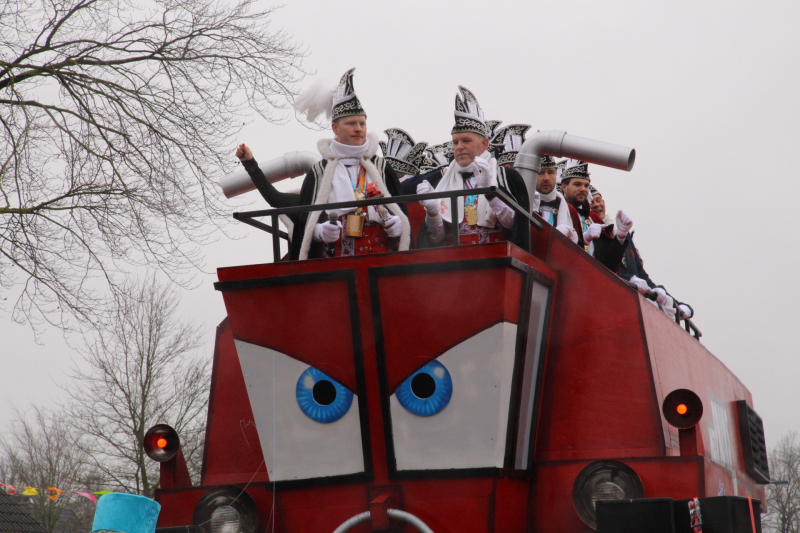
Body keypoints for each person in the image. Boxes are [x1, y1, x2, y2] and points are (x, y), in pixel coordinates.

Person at [288, 68, 410, 260]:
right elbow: (304, 223)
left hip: (382, 264)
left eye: (362, 124)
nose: (358, 129)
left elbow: (402, 213)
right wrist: (319, 232)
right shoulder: (319, 172)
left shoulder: (381, 167)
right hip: (335, 269)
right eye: (351, 124)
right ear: (335, 128)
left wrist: (400, 224)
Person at [413, 87, 530, 248]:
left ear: (484, 144)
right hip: (454, 266)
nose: (459, 147)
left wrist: (491, 195)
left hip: (496, 263)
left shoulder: (507, 177)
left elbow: (516, 226)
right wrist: (432, 212)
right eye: (455, 142)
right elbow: (435, 239)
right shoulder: (441, 182)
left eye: (466, 141)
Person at [590, 185, 694, 319]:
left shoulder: (621, 232)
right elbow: (602, 268)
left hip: (635, 306)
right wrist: (631, 280)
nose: (596, 205)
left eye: (599, 200)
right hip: (612, 305)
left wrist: (676, 304)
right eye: (591, 202)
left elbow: (641, 275)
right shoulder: (591, 233)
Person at [560, 160, 631, 272]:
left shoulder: (593, 219)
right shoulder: (557, 210)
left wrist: (620, 236)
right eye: (577, 184)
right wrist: (584, 238)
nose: (583, 189)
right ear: (564, 187)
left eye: (586, 185)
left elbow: (609, 266)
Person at [534, 155, 583, 245]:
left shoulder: (571, 211)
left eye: (551, 172)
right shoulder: (524, 203)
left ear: (556, 174)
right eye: (540, 173)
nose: (546, 178)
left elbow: (579, 251)